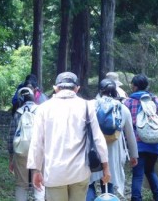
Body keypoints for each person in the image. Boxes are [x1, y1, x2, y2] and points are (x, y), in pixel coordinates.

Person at [27, 72, 111, 201]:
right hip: (80, 172)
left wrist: (36, 170)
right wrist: (106, 168)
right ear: (77, 88)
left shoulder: (43, 109)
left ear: (56, 88)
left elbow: (37, 143)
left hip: (54, 173)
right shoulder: (87, 106)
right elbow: (98, 138)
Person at [86, 78, 138, 200]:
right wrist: (134, 155)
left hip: (92, 150)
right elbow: (130, 134)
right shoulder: (122, 108)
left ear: (100, 90)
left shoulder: (89, 105)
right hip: (113, 152)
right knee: (108, 183)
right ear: (115, 91)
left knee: (89, 184)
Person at [123, 74, 158, 201]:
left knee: (137, 175)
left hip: (137, 145)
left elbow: (125, 126)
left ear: (135, 86)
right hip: (154, 143)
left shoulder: (128, 102)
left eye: (132, 84)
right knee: (150, 171)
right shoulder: (155, 100)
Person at [8, 87, 45, 201]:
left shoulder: (17, 114)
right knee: (39, 182)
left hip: (20, 152)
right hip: (38, 152)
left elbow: (11, 138)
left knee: (21, 184)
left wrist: (11, 159)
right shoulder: (41, 111)